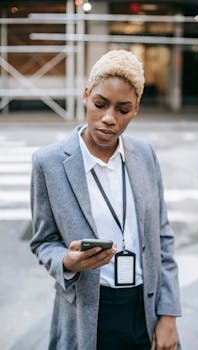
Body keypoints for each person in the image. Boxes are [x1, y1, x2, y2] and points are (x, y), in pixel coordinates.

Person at [30, 49, 181, 350]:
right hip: (86, 312)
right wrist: (68, 261)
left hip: (144, 309)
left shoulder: (146, 155)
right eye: (100, 104)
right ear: (86, 95)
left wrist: (169, 314)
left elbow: (162, 237)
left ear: (136, 107)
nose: (108, 119)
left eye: (123, 110)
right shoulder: (48, 163)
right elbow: (42, 241)